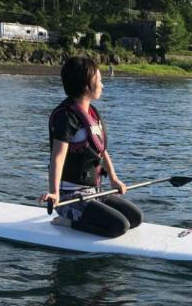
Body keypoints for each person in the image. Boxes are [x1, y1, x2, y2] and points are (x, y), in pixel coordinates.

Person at [40, 56, 143, 237]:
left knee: (135, 218)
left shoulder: (93, 113)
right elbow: (57, 157)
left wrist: (114, 179)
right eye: (100, 80)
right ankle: (68, 221)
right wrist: (54, 193)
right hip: (69, 198)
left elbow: (101, 151)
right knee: (119, 226)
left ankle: (85, 215)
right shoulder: (67, 117)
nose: (103, 85)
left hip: (93, 192)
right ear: (87, 86)